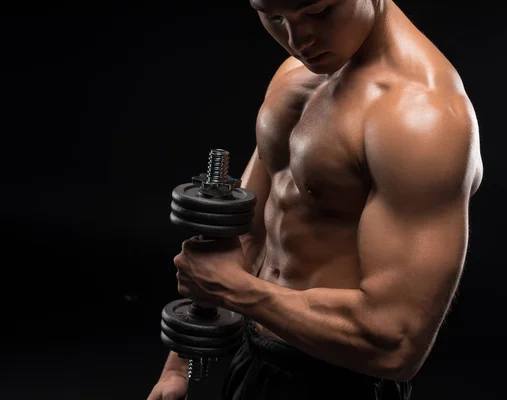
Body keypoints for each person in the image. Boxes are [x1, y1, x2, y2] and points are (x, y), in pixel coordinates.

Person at [148, 0, 484, 399]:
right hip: (255, 362)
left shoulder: (420, 116)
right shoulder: (297, 73)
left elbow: (395, 343)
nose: (297, 40)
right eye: (273, 18)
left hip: (338, 381)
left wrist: (238, 292)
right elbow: (243, 236)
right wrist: (177, 366)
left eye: (319, 12)